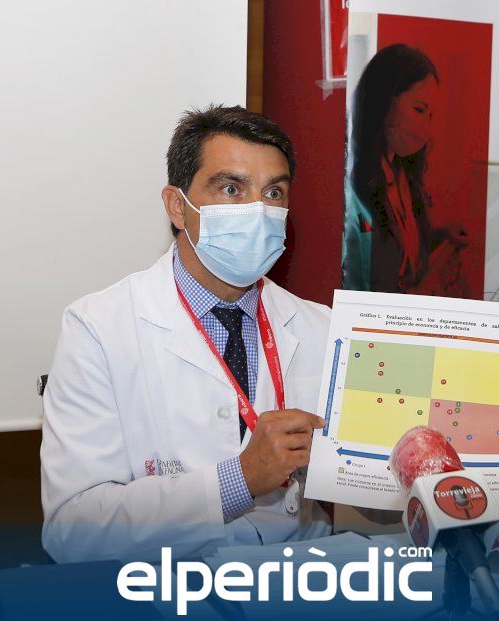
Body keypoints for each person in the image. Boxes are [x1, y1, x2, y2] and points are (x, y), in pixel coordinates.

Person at [40, 106, 335, 564]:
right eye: (232, 188)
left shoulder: (322, 327)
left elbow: (370, 502)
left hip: (300, 578)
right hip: (165, 584)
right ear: (178, 206)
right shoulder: (97, 328)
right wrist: (238, 480)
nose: (258, 210)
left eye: (273, 192)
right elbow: (72, 531)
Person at [342, 44, 473, 295]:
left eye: (430, 115)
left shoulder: (402, 172)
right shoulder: (353, 185)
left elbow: (401, 250)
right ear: (384, 101)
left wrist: (440, 235)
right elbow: (371, 267)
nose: (426, 129)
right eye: (419, 109)